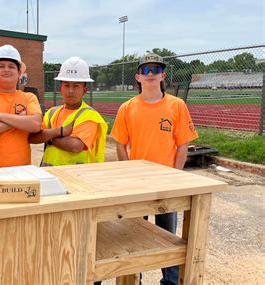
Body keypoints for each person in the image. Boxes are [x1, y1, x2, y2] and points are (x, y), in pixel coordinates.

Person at [110, 52, 198, 285]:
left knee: (168, 238)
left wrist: (175, 177)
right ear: (138, 77)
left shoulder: (176, 106)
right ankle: (134, 279)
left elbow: (182, 144)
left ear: (163, 75)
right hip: (137, 185)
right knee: (134, 235)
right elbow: (121, 144)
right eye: (146, 70)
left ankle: (169, 281)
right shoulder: (127, 108)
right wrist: (129, 172)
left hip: (166, 184)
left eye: (155, 70)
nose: (151, 74)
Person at [29, 56, 107, 167]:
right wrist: (59, 132)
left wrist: (48, 136)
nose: (70, 91)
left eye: (76, 86)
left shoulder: (89, 116)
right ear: (60, 88)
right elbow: (32, 137)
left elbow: (75, 146)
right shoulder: (51, 113)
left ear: (84, 90)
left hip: (77, 178)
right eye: (66, 85)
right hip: (50, 176)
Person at [0, 44, 42, 168]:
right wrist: (18, 119)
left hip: (22, 170)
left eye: (11, 66)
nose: (6, 70)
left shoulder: (29, 97)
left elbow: (35, 124)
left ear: (19, 73)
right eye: (1, 66)